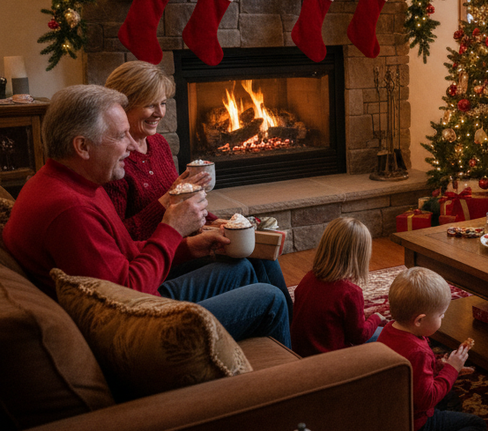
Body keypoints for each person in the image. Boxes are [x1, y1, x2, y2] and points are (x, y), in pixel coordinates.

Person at [1, 84, 290, 346]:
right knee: (270, 299)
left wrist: (188, 247)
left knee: (241, 264)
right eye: (119, 136)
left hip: (139, 297)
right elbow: (127, 296)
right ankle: (302, 382)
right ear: (82, 147)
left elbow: (124, 253)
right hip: (141, 323)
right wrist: (172, 229)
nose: (131, 145)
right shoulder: (69, 210)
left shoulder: (77, 182)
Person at [102, 60, 292, 316]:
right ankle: (268, 316)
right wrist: (167, 200)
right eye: (150, 104)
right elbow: (122, 238)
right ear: (123, 107)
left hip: (186, 240)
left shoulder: (158, 145)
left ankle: (291, 325)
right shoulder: (115, 163)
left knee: (259, 250)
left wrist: (223, 222)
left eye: (163, 103)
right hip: (160, 259)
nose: (160, 112)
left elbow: (184, 203)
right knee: (243, 261)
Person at [378, 267, 486, 431]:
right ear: (419, 320)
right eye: (441, 315)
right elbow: (426, 399)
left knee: (452, 397)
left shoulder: (389, 330)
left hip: (392, 415)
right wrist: (452, 370)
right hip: (415, 426)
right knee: (476, 426)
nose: (444, 318)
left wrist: (440, 366)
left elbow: (409, 372)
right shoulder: (419, 351)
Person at [290, 217, 384, 357]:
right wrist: (376, 317)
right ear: (360, 256)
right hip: (331, 360)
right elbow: (359, 336)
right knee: (389, 333)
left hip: (301, 353)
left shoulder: (308, 278)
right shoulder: (350, 292)